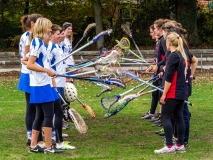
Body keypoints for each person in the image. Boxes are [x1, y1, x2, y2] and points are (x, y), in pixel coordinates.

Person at [26, 17, 63, 154]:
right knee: (48, 115)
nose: (50, 30)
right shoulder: (37, 42)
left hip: (44, 82)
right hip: (40, 84)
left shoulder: (41, 42)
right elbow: (29, 63)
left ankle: (34, 145)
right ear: (43, 27)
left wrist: (50, 76)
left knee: (40, 115)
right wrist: (46, 71)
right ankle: (48, 147)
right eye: (49, 27)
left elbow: (31, 61)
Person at [154, 32, 188, 154]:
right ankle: (180, 145)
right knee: (179, 117)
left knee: (165, 117)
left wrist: (164, 94)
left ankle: (169, 146)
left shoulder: (173, 56)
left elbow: (169, 78)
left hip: (173, 92)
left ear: (168, 43)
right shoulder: (181, 55)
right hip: (181, 92)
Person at [46, 24, 75, 150]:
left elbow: (60, 65)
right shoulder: (50, 48)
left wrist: (69, 70)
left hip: (60, 82)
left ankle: (56, 138)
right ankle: (58, 141)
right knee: (56, 113)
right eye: (58, 34)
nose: (61, 35)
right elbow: (48, 67)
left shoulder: (57, 47)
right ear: (51, 35)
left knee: (56, 113)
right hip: (55, 84)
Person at [17, 13, 43, 145]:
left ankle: (36, 133)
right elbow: (26, 58)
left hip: (31, 73)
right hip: (29, 74)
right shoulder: (28, 36)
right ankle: (30, 135)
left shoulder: (30, 36)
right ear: (33, 23)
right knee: (32, 106)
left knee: (35, 106)